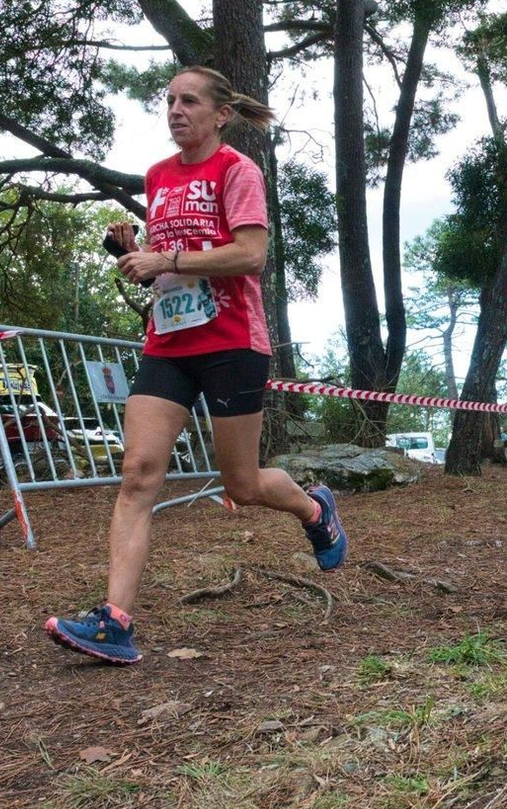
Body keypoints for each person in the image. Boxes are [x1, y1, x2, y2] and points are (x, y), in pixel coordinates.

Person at [45, 66, 347, 666]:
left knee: (241, 483)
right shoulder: (157, 176)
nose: (175, 110)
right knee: (138, 472)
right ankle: (115, 622)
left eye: (189, 101)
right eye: (169, 101)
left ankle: (315, 509)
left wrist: (166, 256)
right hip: (168, 342)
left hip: (232, 340)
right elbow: (170, 267)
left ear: (219, 114)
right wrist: (133, 255)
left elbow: (251, 254)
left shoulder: (238, 171)